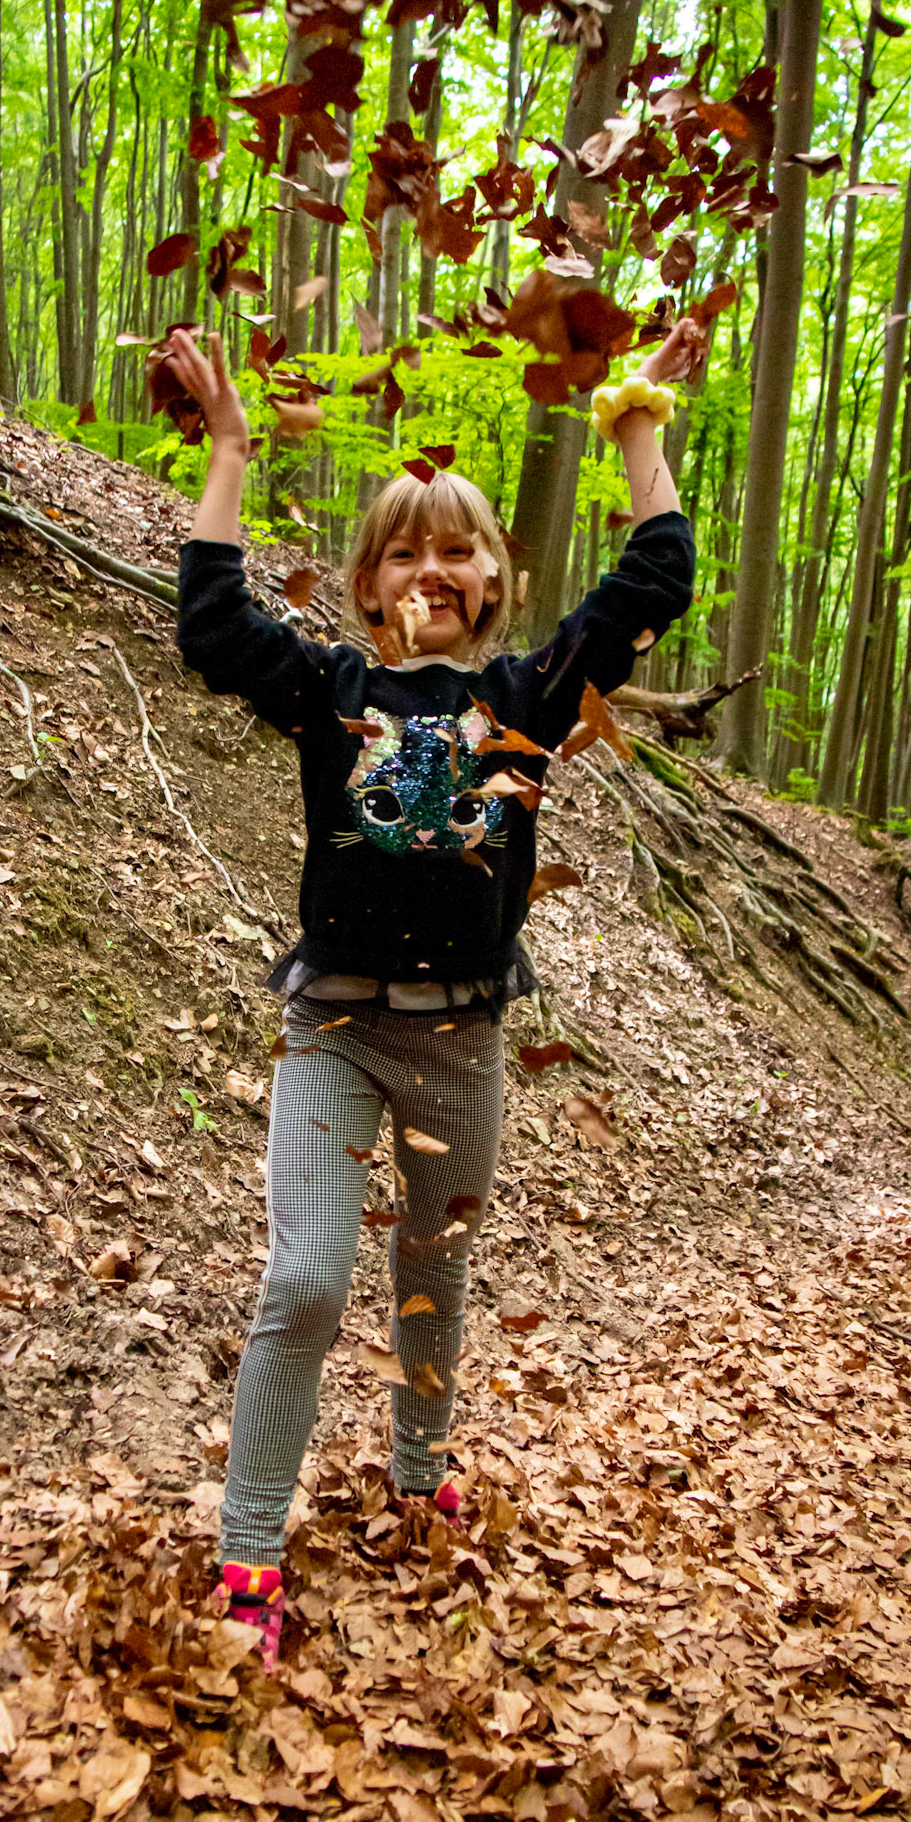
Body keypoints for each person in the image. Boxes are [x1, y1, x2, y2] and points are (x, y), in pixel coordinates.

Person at [171, 318, 698, 1666]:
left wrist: (636, 424)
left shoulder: (526, 699)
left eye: (457, 548)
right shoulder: (330, 692)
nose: (432, 570)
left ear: (495, 578)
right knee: (304, 1279)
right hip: (333, 1030)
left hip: (462, 1044)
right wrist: (229, 450)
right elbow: (212, 625)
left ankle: (419, 1466)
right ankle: (249, 1547)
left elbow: (654, 576)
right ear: (366, 584)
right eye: (404, 551)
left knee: (431, 1267)